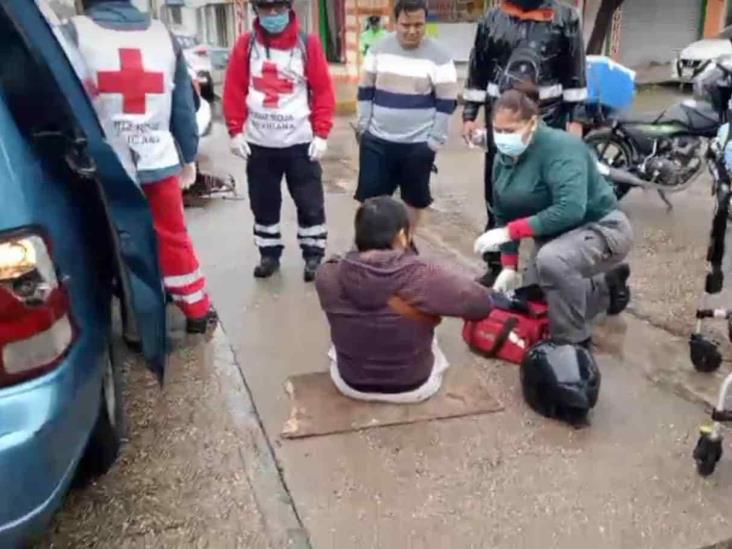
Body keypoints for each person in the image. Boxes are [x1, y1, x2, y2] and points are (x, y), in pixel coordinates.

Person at [69, 0, 216, 333]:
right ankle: (196, 311)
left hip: (104, 167)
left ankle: (137, 321)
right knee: (173, 238)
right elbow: (184, 107)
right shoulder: (163, 36)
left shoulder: (74, 34)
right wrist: (188, 156)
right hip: (158, 161)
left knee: (117, 242)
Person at [473, 85, 633, 349]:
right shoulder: (505, 158)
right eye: (497, 131)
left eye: (510, 131)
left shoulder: (562, 148)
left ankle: (573, 342)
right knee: (537, 294)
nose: (502, 138)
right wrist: (509, 265)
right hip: (555, 237)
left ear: (532, 123)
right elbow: (503, 211)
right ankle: (606, 286)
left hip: (601, 229)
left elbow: (571, 208)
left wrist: (511, 232)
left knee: (553, 264)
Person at [315, 197, 494, 403]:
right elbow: (482, 305)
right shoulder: (423, 275)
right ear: (402, 236)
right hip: (413, 386)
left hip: (350, 383)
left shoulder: (327, 274)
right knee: (431, 331)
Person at [462, 0, 588, 287]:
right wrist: (470, 113)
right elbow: (478, 68)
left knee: (549, 192)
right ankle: (499, 265)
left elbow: (575, 73)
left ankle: (550, 264)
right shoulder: (493, 18)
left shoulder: (565, 17)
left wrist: (576, 121)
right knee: (499, 193)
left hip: (548, 119)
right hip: (502, 121)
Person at [224, 0, 335, 282]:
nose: (272, 15)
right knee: (263, 204)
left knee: (310, 203)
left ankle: (313, 256)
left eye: (278, 8)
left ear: (289, 8)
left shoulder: (306, 45)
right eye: (265, 9)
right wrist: (235, 130)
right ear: (256, 11)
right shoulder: (246, 46)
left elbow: (323, 90)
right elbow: (234, 89)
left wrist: (321, 133)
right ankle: (268, 254)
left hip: (300, 143)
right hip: (260, 145)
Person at [356, 0, 457, 231]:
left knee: (414, 200)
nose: (412, 31)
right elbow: (365, 91)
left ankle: (404, 247)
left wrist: (433, 142)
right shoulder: (378, 48)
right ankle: (369, 250)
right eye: (406, 25)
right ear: (395, 21)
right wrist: (364, 128)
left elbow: (446, 102)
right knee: (370, 201)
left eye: (418, 25)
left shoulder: (439, 56)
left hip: (418, 145)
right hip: (377, 141)